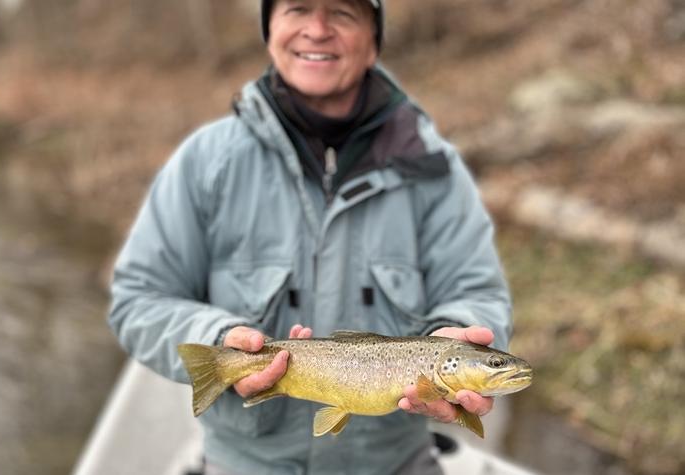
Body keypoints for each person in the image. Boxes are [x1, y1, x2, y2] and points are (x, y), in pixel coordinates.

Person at [108, 0, 512, 474]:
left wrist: (460, 328)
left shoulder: (432, 168)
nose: (317, 30)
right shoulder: (205, 162)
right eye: (297, 8)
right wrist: (215, 339)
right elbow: (138, 300)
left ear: (373, 40)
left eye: (341, 12)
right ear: (270, 29)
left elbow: (477, 293)